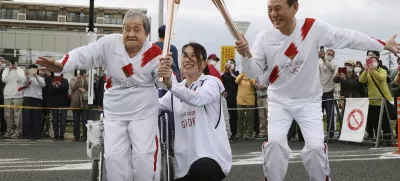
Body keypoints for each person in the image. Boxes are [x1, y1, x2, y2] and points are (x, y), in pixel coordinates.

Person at [234, 0, 400, 180]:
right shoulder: (264, 36)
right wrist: (244, 54)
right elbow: (253, 71)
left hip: (309, 101)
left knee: (314, 149)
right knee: (274, 145)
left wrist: (382, 44)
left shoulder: (311, 28)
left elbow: (346, 36)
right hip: (279, 101)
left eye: (278, 8)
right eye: (270, 9)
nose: (273, 14)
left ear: (295, 7)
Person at [36, 10, 172, 181]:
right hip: (115, 112)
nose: (130, 34)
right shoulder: (110, 44)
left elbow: (162, 79)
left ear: (146, 33)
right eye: (126, 29)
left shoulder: (153, 53)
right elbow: (84, 54)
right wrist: (62, 65)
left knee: (145, 156)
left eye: (136, 29)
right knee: (114, 158)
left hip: (143, 112)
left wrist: (166, 78)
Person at [158, 42, 232, 181]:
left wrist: (171, 84)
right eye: (185, 55)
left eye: (194, 56)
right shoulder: (177, 89)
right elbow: (155, 106)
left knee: (201, 169)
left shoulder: (211, 83)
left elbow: (198, 98)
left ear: (204, 64)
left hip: (211, 160)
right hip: (184, 168)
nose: (188, 59)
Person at [20, 64, 46, 141]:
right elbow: (24, 84)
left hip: (37, 99)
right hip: (27, 98)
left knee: (36, 118)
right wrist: (28, 76)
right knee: (26, 117)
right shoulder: (26, 78)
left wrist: (36, 77)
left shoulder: (40, 78)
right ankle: (27, 136)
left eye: (35, 69)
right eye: (31, 69)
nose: (34, 71)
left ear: (37, 70)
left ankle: (37, 135)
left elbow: (42, 85)